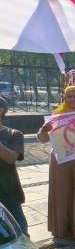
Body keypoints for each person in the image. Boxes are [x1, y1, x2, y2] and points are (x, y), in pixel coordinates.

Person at [37, 86, 75, 239]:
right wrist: (44, 130)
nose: (72, 99)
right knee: (61, 193)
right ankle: (61, 229)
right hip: (61, 160)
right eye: (69, 97)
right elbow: (43, 138)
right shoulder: (56, 115)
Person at [0, 96, 28, 235]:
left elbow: (11, 158)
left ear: (1, 111)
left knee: (20, 233)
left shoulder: (14, 134)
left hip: (8, 190)